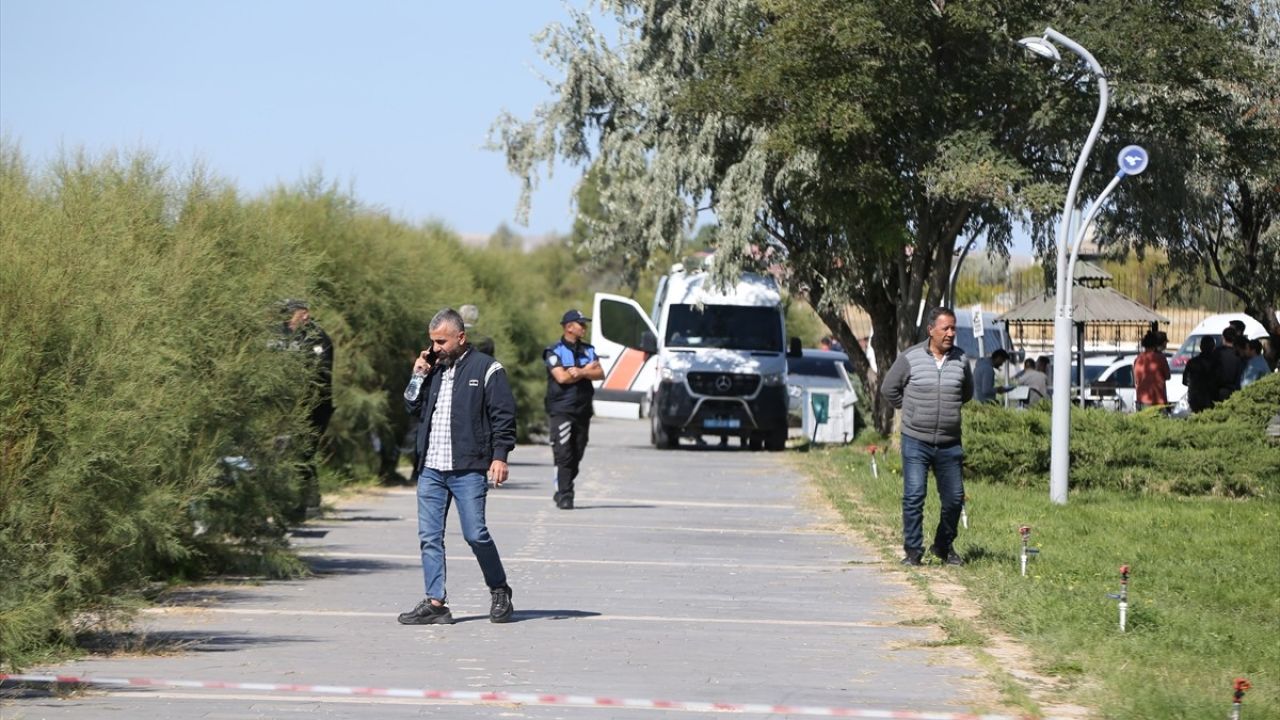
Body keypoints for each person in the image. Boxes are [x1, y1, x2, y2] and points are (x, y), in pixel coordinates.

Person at [398, 308, 517, 626]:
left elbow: (503, 415)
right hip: (432, 469)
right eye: (432, 341)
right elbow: (411, 406)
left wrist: (500, 455)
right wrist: (418, 374)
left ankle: (499, 590)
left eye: (441, 341)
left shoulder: (488, 369)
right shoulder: (433, 369)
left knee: (475, 534)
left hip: (468, 468)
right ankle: (436, 602)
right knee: (430, 536)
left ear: (460, 337)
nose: (435, 347)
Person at [880, 307, 974, 567]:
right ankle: (913, 552)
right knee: (914, 496)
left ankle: (942, 547)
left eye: (954, 328)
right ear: (931, 329)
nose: (951, 333)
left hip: (949, 443)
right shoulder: (910, 357)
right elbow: (889, 388)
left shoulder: (961, 360)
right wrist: (912, 410)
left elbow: (966, 393)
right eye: (946, 328)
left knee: (955, 499)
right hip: (916, 440)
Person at [278, 299, 333, 521]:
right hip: (290, 407)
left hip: (314, 407)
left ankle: (305, 503)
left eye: (291, 315)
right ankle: (303, 501)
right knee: (292, 453)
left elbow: (318, 374)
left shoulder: (317, 338)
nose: (288, 321)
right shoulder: (285, 336)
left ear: (304, 315)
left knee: (304, 451)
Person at [544, 309, 604, 509]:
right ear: (569, 327)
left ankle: (562, 484)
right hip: (561, 409)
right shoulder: (554, 351)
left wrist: (580, 371)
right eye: (581, 324)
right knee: (564, 453)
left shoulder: (589, 350)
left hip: (583, 410)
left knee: (578, 451)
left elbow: (600, 373)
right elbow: (561, 377)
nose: (584, 327)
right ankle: (565, 495)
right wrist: (587, 371)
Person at [1134, 330, 1171, 411]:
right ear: (1155, 344)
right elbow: (1168, 376)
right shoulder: (1160, 358)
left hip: (1141, 400)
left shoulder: (1138, 359)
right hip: (1158, 401)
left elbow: (1137, 380)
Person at [1182, 336, 1219, 413]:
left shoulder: (1192, 362)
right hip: (1211, 397)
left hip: (1194, 397)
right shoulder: (1217, 362)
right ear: (1213, 347)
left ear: (1200, 347)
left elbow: (1185, 381)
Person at [1212, 326, 1244, 402]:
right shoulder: (1238, 354)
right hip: (1233, 391)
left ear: (1223, 337)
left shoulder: (1217, 353)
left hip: (1217, 391)